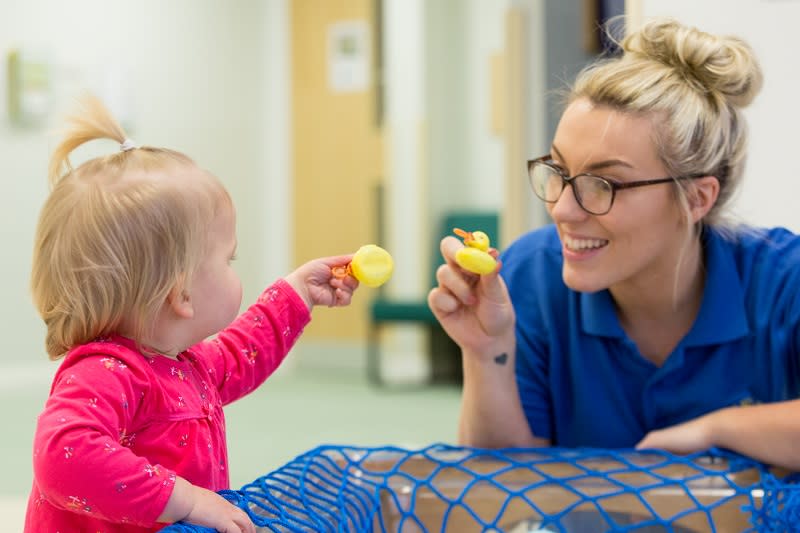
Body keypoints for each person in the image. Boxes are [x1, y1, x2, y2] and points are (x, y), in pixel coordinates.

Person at [428, 17, 800, 471]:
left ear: (697, 198)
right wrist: (486, 355)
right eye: (559, 172)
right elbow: (500, 487)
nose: (563, 209)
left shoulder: (783, 280)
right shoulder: (530, 274)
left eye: (603, 184)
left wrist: (715, 429)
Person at [24, 95, 360, 533]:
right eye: (229, 260)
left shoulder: (182, 361)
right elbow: (62, 456)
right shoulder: (105, 373)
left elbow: (243, 352)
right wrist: (184, 500)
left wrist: (298, 292)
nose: (234, 267)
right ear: (180, 291)